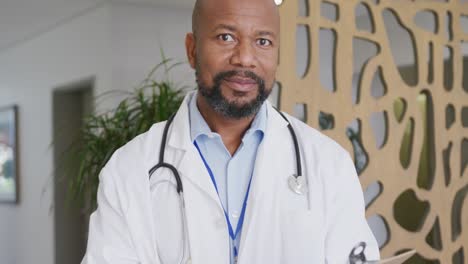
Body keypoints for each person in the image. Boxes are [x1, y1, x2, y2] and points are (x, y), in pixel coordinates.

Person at [81, 0, 380, 263]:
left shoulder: (329, 164)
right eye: (226, 37)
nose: (245, 58)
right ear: (192, 50)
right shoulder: (129, 169)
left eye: (263, 41)